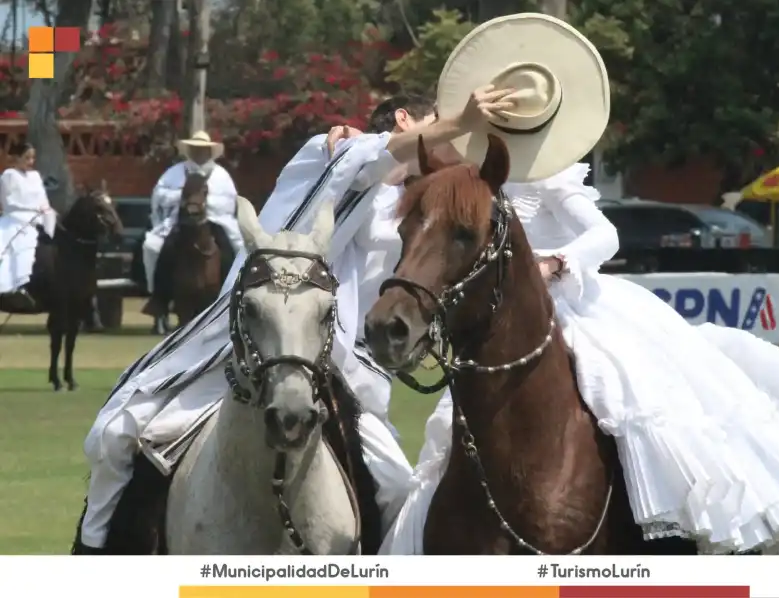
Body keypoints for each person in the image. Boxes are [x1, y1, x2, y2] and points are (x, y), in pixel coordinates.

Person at [378, 13, 779, 555]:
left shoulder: (554, 172)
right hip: (497, 310)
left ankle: (675, 531)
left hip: (575, 304)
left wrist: (555, 265)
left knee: (628, 393)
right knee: (451, 434)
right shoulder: (463, 173)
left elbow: (604, 235)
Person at [72, 89, 513, 554]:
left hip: (340, 362)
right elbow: (372, 158)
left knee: (398, 489)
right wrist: (462, 119)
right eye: (438, 123)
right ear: (405, 120)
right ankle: (94, 558)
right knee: (115, 435)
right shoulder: (335, 154)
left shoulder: (415, 201)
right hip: (249, 337)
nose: (454, 138)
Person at [141, 131, 244, 334]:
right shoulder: (174, 173)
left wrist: (205, 202)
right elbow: (159, 195)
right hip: (179, 220)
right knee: (152, 246)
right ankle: (158, 297)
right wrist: (181, 198)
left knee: (236, 248)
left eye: (203, 149)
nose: (199, 153)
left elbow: (229, 201)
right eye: (195, 149)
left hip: (214, 221)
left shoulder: (221, 175)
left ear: (210, 151)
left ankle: (233, 293)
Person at [0, 141, 57, 307]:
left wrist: (47, 211)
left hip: (40, 216)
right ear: (16, 158)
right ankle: (15, 285)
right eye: (27, 158)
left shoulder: (36, 176)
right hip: (17, 218)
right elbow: (8, 202)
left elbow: (42, 198)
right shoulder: (9, 175)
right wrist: (32, 211)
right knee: (21, 244)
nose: (31, 162)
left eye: (33, 158)